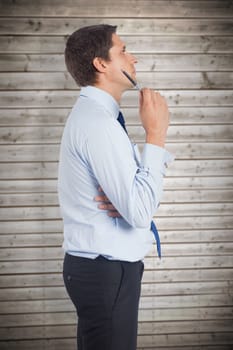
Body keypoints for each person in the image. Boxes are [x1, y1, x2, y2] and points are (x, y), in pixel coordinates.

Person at [58, 24, 173, 350]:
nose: (133, 57)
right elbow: (138, 210)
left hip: (102, 270)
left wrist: (127, 188)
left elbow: (131, 201)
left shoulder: (98, 118)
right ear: (101, 63)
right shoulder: (99, 123)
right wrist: (156, 136)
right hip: (105, 271)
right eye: (123, 50)